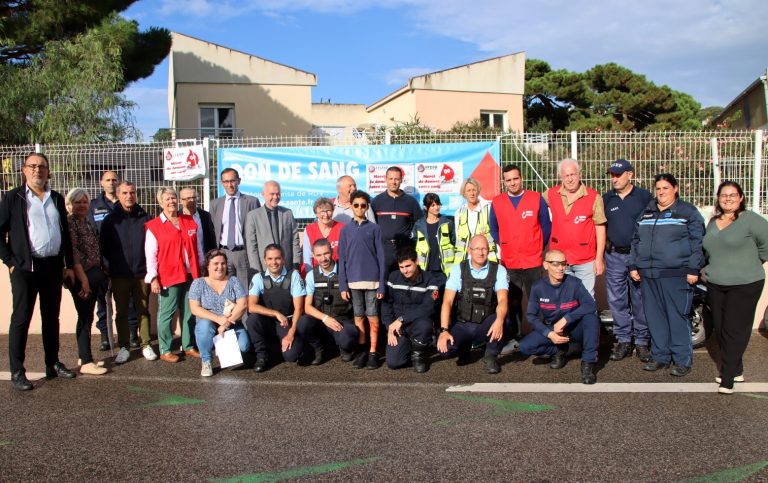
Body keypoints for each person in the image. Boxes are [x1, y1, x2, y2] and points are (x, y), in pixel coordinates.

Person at [0, 152, 76, 391]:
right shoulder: (13, 198)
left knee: (51, 317)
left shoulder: (55, 198)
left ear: (48, 171)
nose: (37, 171)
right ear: (24, 170)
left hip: (52, 266)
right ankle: (17, 371)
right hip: (24, 267)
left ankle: (52, 363)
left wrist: (69, 265)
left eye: (42, 167)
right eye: (32, 166)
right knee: (21, 319)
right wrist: (10, 261)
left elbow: (65, 236)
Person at [629, 173, 705, 376]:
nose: (661, 192)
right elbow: (636, 241)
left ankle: (682, 360)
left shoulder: (687, 212)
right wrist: (633, 265)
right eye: (659, 188)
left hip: (676, 275)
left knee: (677, 317)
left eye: (666, 188)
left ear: (675, 189)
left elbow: (698, 242)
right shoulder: (647, 212)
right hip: (649, 275)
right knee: (655, 318)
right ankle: (660, 356)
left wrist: (693, 268)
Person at [703, 181, 768, 394]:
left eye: (732, 195)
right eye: (724, 195)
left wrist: (751, 263)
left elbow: (765, 246)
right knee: (720, 329)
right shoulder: (713, 222)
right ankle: (737, 368)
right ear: (718, 198)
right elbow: (709, 249)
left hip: (746, 283)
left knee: (734, 329)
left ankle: (728, 377)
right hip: (716, 283)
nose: (728, 199)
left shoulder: (751, 220)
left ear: (741, 197)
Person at [490, 164, 552, 345]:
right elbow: (494, 228)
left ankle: (541, 336)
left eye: (515, 178)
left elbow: (546, 227)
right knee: (513, 302)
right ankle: (515, 337)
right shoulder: (497, 202)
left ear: (521, 178)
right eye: (508, 180)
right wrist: (506, 243)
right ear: (504, 182)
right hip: (510, 261)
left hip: (533, 259)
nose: (512, 183)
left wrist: (537, 245)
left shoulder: (536, 198)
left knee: (538, 300)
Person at [519, 249, 600, 384]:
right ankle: (561, 350)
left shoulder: (575, 283)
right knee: (525, 346)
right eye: (556, 264)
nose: (561, 268)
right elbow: (531, 316)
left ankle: (587, 363)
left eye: (563, 264)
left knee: (591, 318)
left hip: (575, 328)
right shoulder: (538, 287)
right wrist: (549, 333)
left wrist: (566, 319)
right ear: (546, 265)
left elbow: (590, 305)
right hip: (554, 330)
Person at [602, 159, 653, 362]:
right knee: (617, 300)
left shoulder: (644, 197)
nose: (614, 179)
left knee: (640, 299)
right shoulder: (607, 199)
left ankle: (642, 342)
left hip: (637, 256)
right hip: (614, 255)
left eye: (618, 174)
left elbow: (650, 226)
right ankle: (623, 339)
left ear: (629, 174)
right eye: (612, 175)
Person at [145, 187, 203, 363]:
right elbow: (151, 254)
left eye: (173, 198)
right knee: (167, 313)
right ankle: (165, 349)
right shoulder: (154, 226)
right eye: (167, 199)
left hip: (191, 274)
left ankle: (188, 346)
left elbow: (198, 247)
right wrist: (153, 277)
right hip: (169, 276)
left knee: (189, 312)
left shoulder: (189, 221)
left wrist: (202, 268)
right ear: (160, 202)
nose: (171, 201)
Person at [437, 235, 509, 374]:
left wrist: (499, 320)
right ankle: (464, 348)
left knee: (505, 320)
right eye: (477, 249)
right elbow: (447, 301)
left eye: (484, 249)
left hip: (486, 323)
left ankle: (490, 355)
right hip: (463, 324)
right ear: (470, 250)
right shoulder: (458, 269)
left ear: (488, 251)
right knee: (444, 350)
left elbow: (502, 300)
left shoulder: (499, 270)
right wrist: (444, 331)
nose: (481, 252)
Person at [100, 181, 155, 363]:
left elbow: (153, 246)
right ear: (118, 195)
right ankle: (124, 347)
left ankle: (146, 344)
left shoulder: (146, 218)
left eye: (132, 192)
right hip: (119, 275)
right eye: (124, 193)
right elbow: (103, 247)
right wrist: (109, 268)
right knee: (122, 311)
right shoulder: (110, 220)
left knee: (143, 310)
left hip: (141, 274)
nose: (129, 196)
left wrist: (150, 270)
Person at [543, 159, 606, 297]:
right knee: (561, 298)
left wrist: (599, 257)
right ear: (560, 177)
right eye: (566, 175)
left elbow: (600, 227)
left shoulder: (594, 197)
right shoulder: (550, 194)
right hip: (559, 260)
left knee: (586, 298)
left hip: (585, 260)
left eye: (573, 174)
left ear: (579, 174)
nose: (570, 179)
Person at [338, 190, 387, 369]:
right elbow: (341, 259)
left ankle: (373, 352)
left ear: (367, 207)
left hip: (373, 282)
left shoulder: (375, 229)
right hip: (353, 283)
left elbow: (381, 258)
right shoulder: (345, 231)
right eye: (356, 205)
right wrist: (343, 285)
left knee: (373, 318)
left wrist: (382, 285)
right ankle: (362, 350)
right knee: (358, 317)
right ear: (351, 206)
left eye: (363, 205)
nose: (359, 208)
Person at [89, 170, 138, 350]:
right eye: (108, 180)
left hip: (125, 264)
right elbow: (91, 233)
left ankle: (133, 334)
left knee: (129, 303)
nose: (111, 182)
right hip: (102, 263)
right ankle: (105, 336)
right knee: (103, 303)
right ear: (102, 183)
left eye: (114, 180)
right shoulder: (94, 206)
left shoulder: (127, 204)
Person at [65, 188, 108, 375]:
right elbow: (73, 253)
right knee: (84, 317)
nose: (81, 205)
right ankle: (86, 361)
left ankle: (84, 356)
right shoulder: (70, 223)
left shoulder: (87, 222)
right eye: (77, 202)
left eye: (84, 202)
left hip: (94, 273)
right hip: (81, 277)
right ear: (70, 204)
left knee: (88, 316)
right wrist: (83, 280)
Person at [245, 244, 308, 372]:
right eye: (270, 259)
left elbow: (299, 309)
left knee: (291, 356)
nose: (274, 262)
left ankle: (282, 347)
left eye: (277, 258)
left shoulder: (294, 276)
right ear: (264, 260)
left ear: (283, 259)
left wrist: (291, 333)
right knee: (252, 320)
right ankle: (261, 355)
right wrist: (275, 313)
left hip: (287, 323)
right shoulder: (258, 278)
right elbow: (251, 306)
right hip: (268, 321)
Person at [189, 249, 251, 377]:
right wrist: (218, 319)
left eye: (223, 263)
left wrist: (226, 323)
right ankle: (206, 360)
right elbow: (195, 308)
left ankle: (221, 348)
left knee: (244, 346)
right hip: (208, 322)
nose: (220, 267)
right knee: (204, 327)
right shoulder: (198, 283)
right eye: (216, 264)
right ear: (207, 265)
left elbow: (243, 304)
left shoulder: (233, 281)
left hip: (231, 322)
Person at [299, 238, 360, 364]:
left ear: (332, 252)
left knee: (348, 337)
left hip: (342, 320)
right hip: (322, 320)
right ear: (314, 256)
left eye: (326, 253)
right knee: (303, 323)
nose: (323, 258)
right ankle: (318, 349)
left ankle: (344, 348)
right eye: (319, 255)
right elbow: (307, 307)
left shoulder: (345, 271)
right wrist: (325, 318)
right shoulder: (311, 275)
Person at [382, 246, 440, 373]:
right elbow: (386, 305)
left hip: (416, 325)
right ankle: (409, 348)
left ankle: (419, 355)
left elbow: (428, 308)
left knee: (425, 324)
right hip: (398, 327)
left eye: (408, 266)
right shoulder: (393, 277)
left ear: (417, 261)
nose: (404, 271)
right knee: (394, 363)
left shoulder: (430, 280)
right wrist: (389, 327)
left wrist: (402, 319)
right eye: (401, 267)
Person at [210, 168, 261, 294]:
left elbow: (258, 228)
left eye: (232, 181)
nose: (230, 185)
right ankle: (228, 314)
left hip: (243, 253)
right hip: (223, 253)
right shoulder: (215, 204)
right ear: (222, 183)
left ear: (239, 181)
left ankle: (244, 314)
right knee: (226, 290)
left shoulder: (251, 202)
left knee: (244, 290)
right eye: (226, 181)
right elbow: (212, 230)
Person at [371, 166, 423, 271]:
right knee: (384, 281)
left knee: (405, 282)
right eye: (390, 179)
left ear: (401, 180)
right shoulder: (377, 201)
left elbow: (420, 224)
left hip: (405, 249)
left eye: (397, 179)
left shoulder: (411, 202)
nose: (393, 182)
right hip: (384, 249)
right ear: (385, 179)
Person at [245, 180, 301, 274]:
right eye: (272, 194)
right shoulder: (253, 216)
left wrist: (296, 264)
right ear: (263, 194)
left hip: (286, 268)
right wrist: (256, 271)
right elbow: (252, 247)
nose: (275, 197)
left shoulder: (288, 213)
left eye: (278, 194)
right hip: (264, 269)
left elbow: (295, 240)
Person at [454, 177, 497, 263]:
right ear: (464, 193)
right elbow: (458, 237)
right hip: (465, 259)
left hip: (485, 258)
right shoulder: (459, 213)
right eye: (468, 190)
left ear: (478, 191)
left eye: (474, 190)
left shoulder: (488, 208)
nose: (472, 193)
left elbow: (496, 232)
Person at [413, 193, 455, 280]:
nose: (436, 207)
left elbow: (454, 242)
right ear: (426, 207)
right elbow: (414, 244)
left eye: (438, 204)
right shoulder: (419, 225)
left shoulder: (448, 222)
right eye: (433, 205)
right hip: (425, 270)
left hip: (444, 270)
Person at [302, 197, 344, 275]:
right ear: (316, 214)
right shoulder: (309, 230)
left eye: (328, 211)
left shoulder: (342, 228)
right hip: (317, 273)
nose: (325, 214)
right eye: (322, 211)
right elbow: (307, 257)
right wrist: (310, 276)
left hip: (338, 272)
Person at [180, 187, 217, 254]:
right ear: (181, 201)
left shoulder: (206, 216)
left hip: (203, 259)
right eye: (188, 198)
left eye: (194, 198)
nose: (192, 201)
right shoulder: (177, 217)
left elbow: (211, 238)